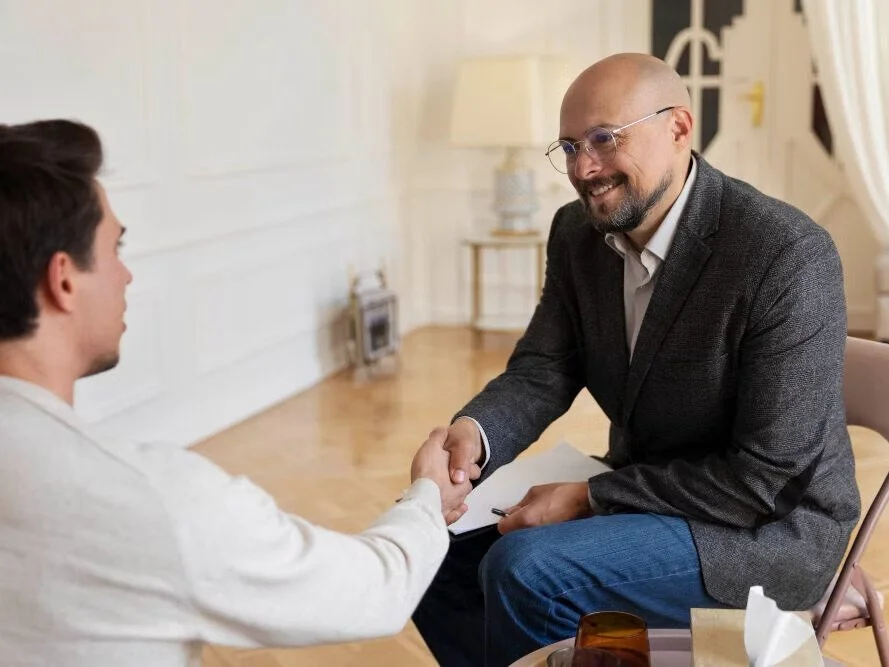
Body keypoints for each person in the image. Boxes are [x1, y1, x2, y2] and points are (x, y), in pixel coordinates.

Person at [412, 53, 861, 666]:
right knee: (421, 550)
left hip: (763, 531)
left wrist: (589, 498)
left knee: (525, 569)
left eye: (604, 139)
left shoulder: (784, 255)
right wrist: (475, 436)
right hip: (646, 489)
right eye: (569, 146)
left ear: (679, 128)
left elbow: (764, 480)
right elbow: (544, 367)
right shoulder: (576, 233)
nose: (584, 167)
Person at [0, 119, 471, 666]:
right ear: (63, 279)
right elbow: (375, 589)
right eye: (115, 249)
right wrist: (428, 496)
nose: (126, 276)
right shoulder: (154, 500)